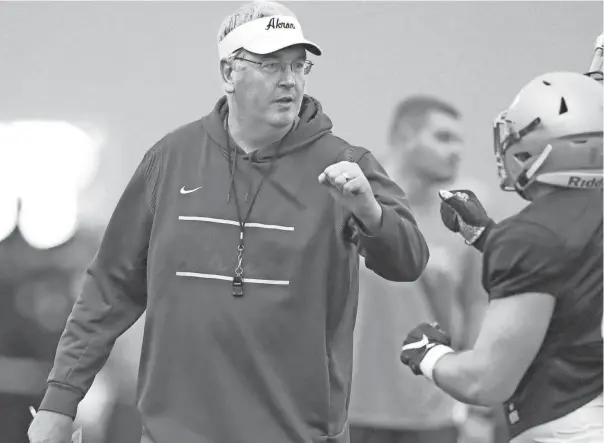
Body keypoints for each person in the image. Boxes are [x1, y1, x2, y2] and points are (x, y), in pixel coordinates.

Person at [27, 2, 430, 443]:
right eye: (271, 65)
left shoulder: (347, 166)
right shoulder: (170, 160)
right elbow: (109, 288)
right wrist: (59, 402)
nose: (289, 80)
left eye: (299, 66)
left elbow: (409, 261)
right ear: (228, 73)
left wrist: (370, 212)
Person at [400, 69, 603, 443]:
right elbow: (570, 268)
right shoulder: (579, 220)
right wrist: (488, 238)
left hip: (560, 426)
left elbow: (485, 381)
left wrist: (427, 354)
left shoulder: (529, 236)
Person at [349, 96, 502, 443]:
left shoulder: (468, 210)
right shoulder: (355, 200)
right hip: (351, 409)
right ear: (405, 138)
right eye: (444, 138)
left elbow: (479, 305)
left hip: (433, 414)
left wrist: (476, 402)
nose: (457, 150)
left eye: (459, 139)